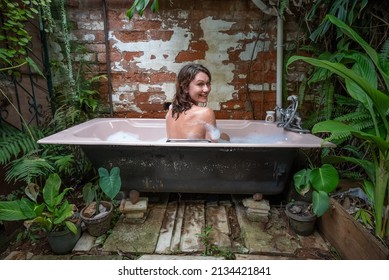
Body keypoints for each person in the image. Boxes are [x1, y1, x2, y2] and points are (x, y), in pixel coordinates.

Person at [166, 63, 229, 142]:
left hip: (174, 154)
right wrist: (226, 138)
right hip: (196, 154)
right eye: (200, 84)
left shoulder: (171, 111)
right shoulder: (206, 113)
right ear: (185, 87)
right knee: (226, 137)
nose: (206, 89)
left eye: (208, 83)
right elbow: (213, 150)